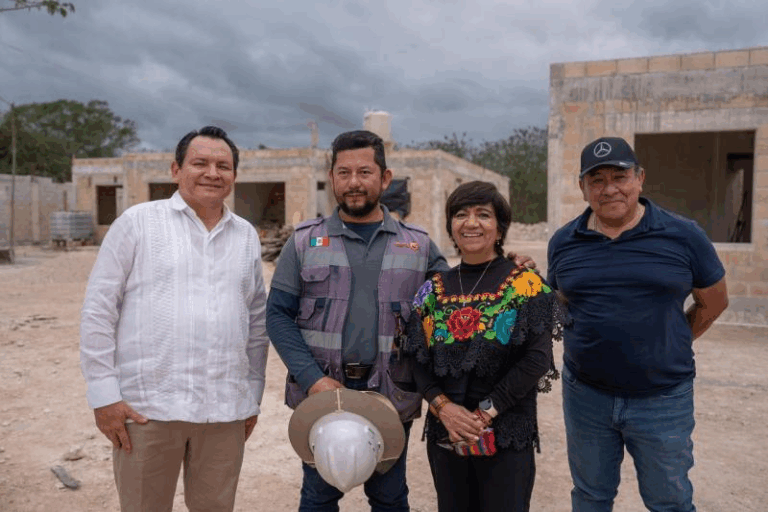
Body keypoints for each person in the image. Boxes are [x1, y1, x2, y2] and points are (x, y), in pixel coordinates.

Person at [267, 130, 534, 511]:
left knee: (390, 498)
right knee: (318, 497)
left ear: (385, 178)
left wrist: (505, 266)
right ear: (332, 178)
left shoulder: (418, 245)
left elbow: (461, 295)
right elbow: (277, 315)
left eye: (364, 172)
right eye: (343, 173)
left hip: (391, 396)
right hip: (324, 395)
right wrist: (312, 380)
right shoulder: (303, 243)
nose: (353, 182)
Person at [80, 126, 270, 512]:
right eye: (200, 163)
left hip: (224, 411)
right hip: (148, 411)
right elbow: (99, 309)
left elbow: (256, 323)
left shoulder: (246, 236)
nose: (212, 173)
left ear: (234, 175)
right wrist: (104, 396)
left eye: (223, 165)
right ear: (175, 169)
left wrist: (251, 396)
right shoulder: (137, 223)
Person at [547, 136, 729, 512]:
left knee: (670, 501)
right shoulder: (564, 242)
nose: (609, 188)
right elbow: (560, 303)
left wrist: (671, 340)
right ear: (582, 188)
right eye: (596, 180)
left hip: (663, 398)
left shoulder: (683, 235)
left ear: (640, 178)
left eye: (620, 176)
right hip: (586, 396)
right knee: (590, 497)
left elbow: (715, 301)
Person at [403, 181, 563, 512]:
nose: (471, 223)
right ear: (450, 226)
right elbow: (416, 359)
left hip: (505, 432)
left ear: (500, 227)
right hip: (446, 432)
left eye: (483, 215)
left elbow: (537, 359)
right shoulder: (432, 290)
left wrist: (482, 415)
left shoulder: (525, 284)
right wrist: (444, 409)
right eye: (461, 214)